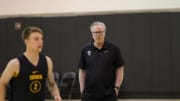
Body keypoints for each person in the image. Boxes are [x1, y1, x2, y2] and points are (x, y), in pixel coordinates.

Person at [0, 26, 62, 101]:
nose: (40, 42)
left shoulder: (47, 61)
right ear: (26, 41)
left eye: (41, 39)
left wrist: (56, 95)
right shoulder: (15, 63)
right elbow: (2, 83)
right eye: (36, 39)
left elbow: (51, 84)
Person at [78, 21, 125, 101]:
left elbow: (120, 69)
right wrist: (82, 91)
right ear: (91, 33)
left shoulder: (114, 49)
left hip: (109, 95)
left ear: (105, 32)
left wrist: (116, 87)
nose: (97, 35)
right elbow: (82, 71)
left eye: (100, 32)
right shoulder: (85, 49)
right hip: (88, 95)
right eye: (95, 32)